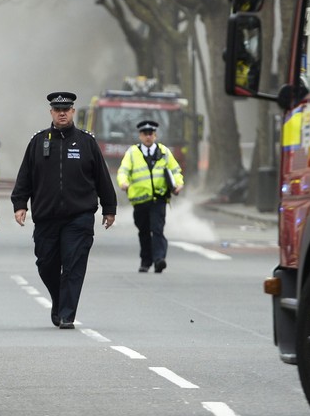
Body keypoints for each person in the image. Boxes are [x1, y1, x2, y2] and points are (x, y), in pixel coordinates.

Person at [12, 91, 117, 329]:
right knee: (46, 264)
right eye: (57, 110)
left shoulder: (86, 142)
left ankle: (67, 315)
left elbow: (102, 178)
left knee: (73, 264)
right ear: (51, 113)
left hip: (79, 217)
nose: (62, 113)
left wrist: (109, 208)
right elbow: (25, 177)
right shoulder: (38, 142)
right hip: (46, 216)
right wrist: (20, 204)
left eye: (66, 110)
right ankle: (59, 299)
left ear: (73, 112)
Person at [117, 120, 184, 273]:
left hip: (158, 198)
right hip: (140, 200)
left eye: (151, 134)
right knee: (144, 231)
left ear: (155, 135)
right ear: (140, 136)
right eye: (145, 134)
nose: (148, 137)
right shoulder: (132, 153)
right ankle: (146, 261)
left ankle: (159, 259)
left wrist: (179, 184)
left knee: (157, 229)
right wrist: (123, 183)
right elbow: (123, 171)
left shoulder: (164, 152)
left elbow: (175, 171)